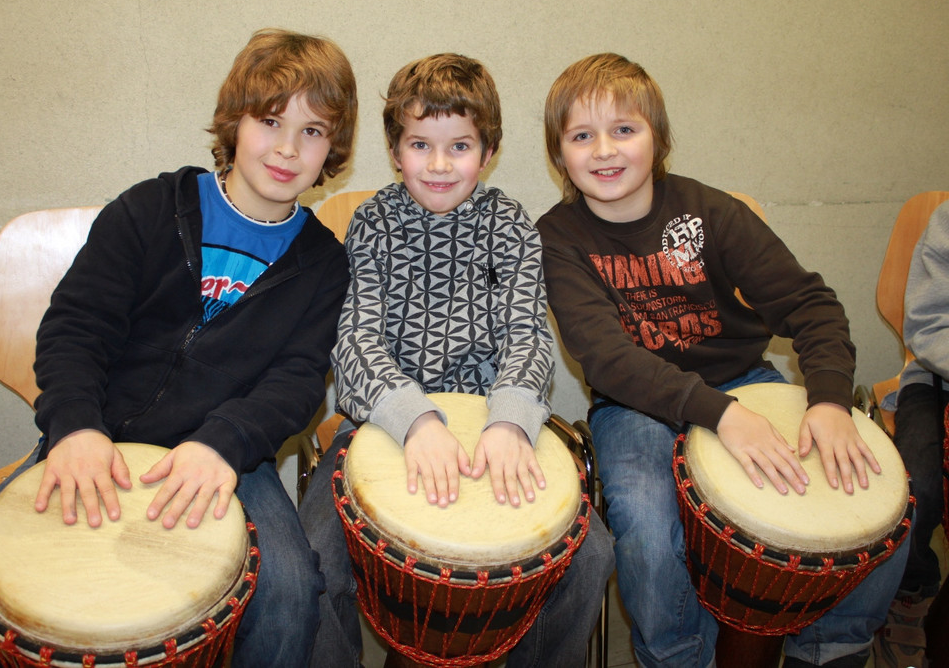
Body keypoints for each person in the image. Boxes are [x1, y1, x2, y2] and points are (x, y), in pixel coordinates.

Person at [0, 28, 356, 668]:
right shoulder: (152, 208)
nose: (288, 148)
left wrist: (223, 444)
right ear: (235, 121)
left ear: (333, 148)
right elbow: (75, 328)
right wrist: (75, 428)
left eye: (312, 131)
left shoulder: (323, 263)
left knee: (290, 596)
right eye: (270, 121)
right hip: (94, 434)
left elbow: (295, 381)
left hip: (230, 457)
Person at [535, 52, 909, 668]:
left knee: (872, 492)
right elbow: (607, 360)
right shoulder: (557, 238)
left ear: (659, 139)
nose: (604, 150)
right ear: (559, 155)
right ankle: (678, 655)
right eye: (582, 136)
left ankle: (832, 647)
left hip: (746, 381)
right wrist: (723, 415)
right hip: (634, 407)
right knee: (648, 527)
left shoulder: (709, 212)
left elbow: (811, 306)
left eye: (624, 129)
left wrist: (830, 402)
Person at [299, 52, 614, 667]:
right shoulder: (373, 224)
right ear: (395, 151)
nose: (439, 165)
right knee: (315, 553)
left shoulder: (511, 227)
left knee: (591, 554)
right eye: (420, 145)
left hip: (494, 422)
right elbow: (356, 340)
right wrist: (416, 420)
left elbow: (528, 337)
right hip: (384, 426)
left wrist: (509, 422)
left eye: (460, 147)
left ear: (488, 151)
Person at [874, 200, 949, 668]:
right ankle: (912, 587)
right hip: (937, 380)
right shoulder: (946, 222)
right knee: (918, 484)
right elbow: (928, 325)